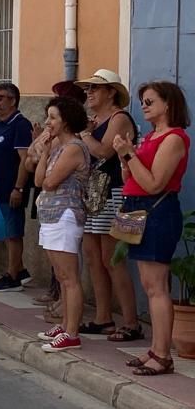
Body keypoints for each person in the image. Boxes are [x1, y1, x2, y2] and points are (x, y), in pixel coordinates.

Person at [113, 81, 190, 376]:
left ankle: (162, 354)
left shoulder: (174, 138)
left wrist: (130, 154)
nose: (143, 106)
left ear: (168, 104)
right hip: (136, 208)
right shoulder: (150, 137)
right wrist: (125, 156)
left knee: (157, 287)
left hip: (156, 211)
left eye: (149, 101)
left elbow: (155, 183)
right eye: (142, 101)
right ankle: (155, 349)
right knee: (148, 284)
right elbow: (130, 177)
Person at [75, 70, 142, 340]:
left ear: (111, 92)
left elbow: (104, 151)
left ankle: (131, 321)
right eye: (87, 89)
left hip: (115, 192)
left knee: (112, 258)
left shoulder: (120, 118)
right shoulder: (96, 121)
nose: (89, 93)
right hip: (94, 193)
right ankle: (103, 317)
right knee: (93, 257)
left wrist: (84, 135)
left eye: (95, 88)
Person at [33, 97, 91, 352]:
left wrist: (47, 167)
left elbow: (49, 182)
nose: (48, 122)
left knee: (70, 277)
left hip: (66, 214)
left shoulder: (74, 147)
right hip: (50, 215)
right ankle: (65, 323)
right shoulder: (57, 146)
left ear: (66, 120)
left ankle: (72, 332)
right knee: (60, 275)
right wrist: (45, 151)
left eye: (53, 117)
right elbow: (37, 179)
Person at [0, 83, 37, 292]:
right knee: (5, 232)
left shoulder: (20, 125)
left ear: (13, 100)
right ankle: (20, 269)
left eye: (1, 97)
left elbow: (24, 160)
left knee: (13, 233)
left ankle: (12, 276)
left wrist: (19, 188)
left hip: (11, 189)